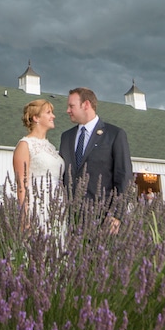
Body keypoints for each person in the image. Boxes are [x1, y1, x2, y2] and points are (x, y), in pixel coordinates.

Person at [60, 87, 134, 234]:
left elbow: (124, 177)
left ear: (86, 105)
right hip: (69, 220)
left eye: (71, 106)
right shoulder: (66, 137)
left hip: (102, 219)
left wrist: (116, 215)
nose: (68, 110)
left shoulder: (114, 135)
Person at [12, 99, 65, 234]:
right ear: (36, 118)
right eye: (48, 113)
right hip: (39, 206)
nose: (53, 116)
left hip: (58, 206)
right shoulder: (25, 145)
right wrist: (25, 218)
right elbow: (21, 185)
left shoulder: (51, 147)